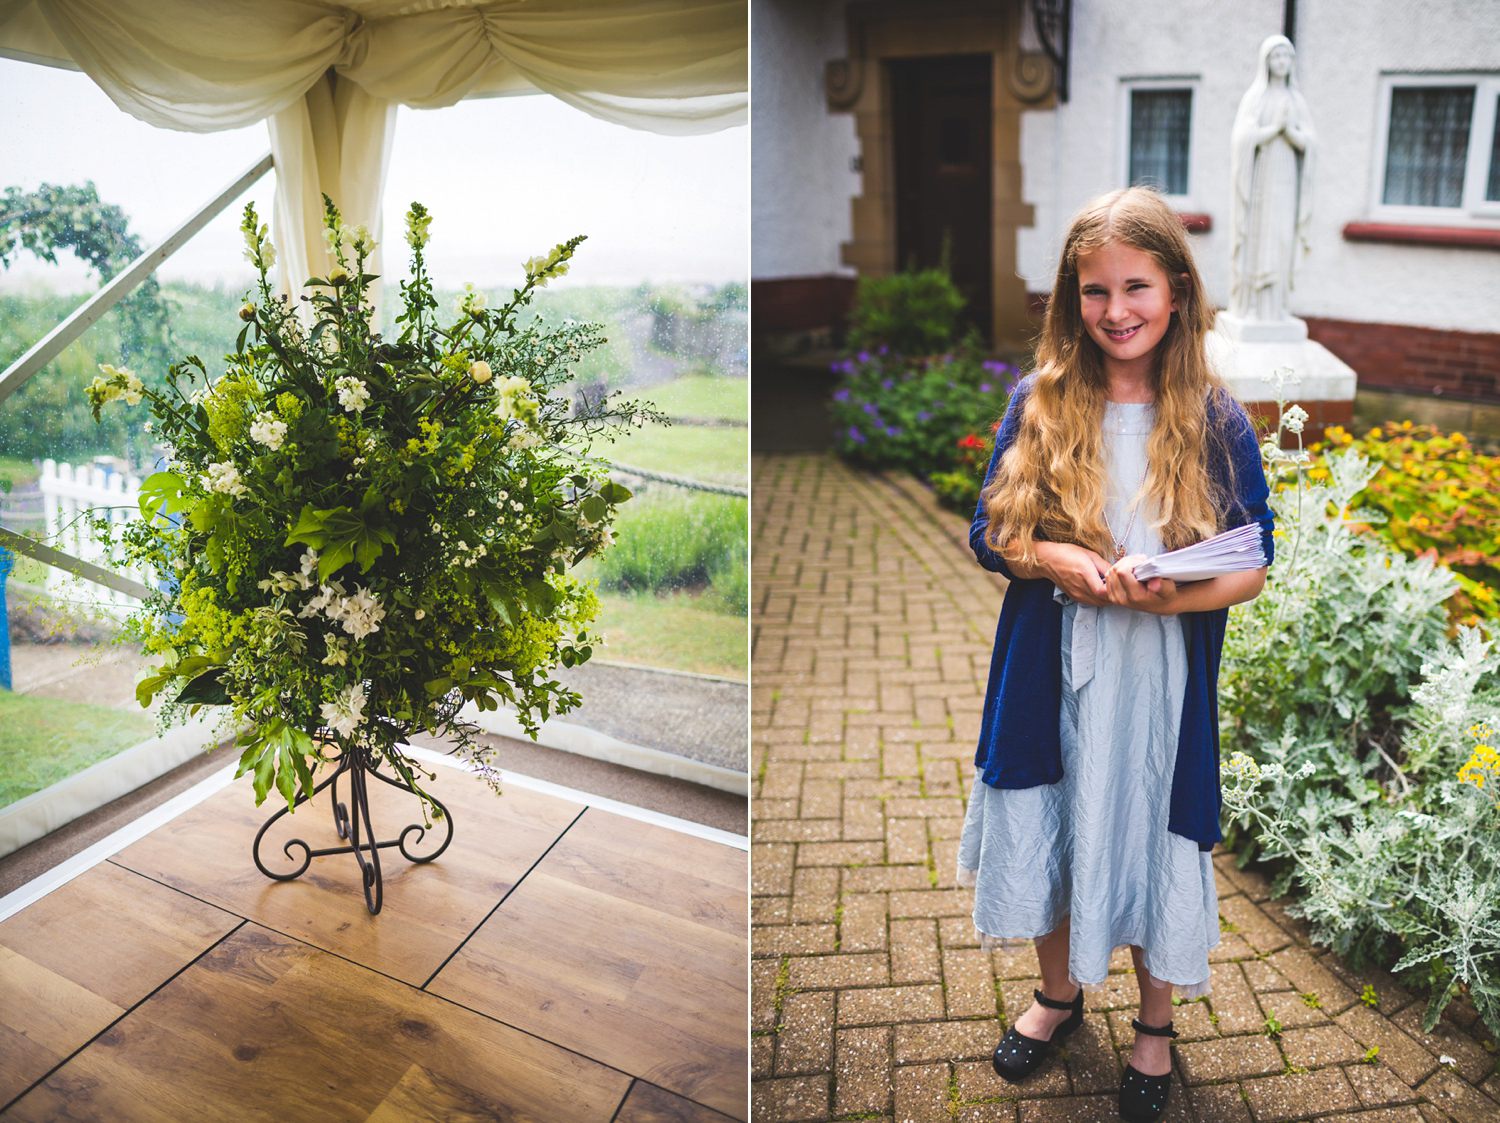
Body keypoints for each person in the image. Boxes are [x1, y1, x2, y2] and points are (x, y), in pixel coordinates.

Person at [956, 186, 1274, 1123]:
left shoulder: (1215, 420)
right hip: (1050, 665)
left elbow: (1252, 563)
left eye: (1136, 287)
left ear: (1176, 289)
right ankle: (1058, 994)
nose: (1116, 311)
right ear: (1071, 297)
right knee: (1056, 816)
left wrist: (1169, 589)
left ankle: (1155, 1020)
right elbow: (990, 532)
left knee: (1142, 824)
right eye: (1095, 292)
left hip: (1157, 681)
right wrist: (1056, 556)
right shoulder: (1043, 402)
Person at [1229, 34, 1315, 322]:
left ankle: (1277, 307)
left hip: (1287, 180)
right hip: (1261, 182)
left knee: (1281, 240)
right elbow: (1242, 138)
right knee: (1261, 237)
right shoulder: (1256, 97)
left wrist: (1291, 133)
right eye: (1276, 56)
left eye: (1287, 56)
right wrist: (1274, 129)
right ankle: (1254, 305)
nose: (1282, 62)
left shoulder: (1296, 100)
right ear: (1266, 62)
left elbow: (1310, 143)